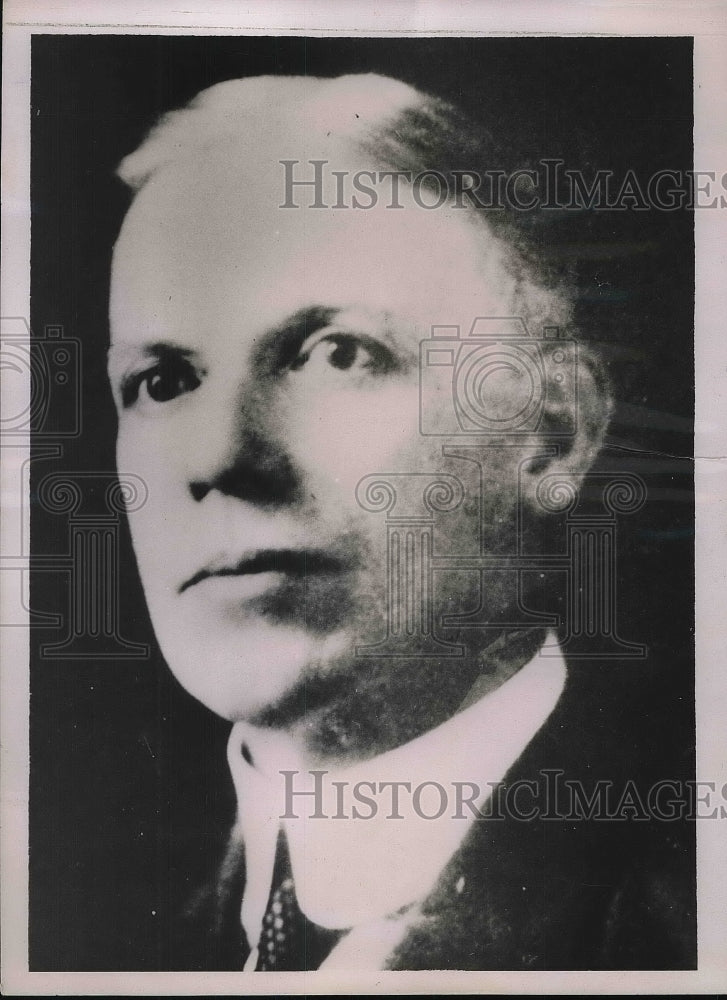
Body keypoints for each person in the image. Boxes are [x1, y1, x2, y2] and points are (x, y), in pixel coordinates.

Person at [107, 73, 694, 970]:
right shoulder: (107, 934)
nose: (217, 458)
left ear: (551, 433)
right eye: (164, 381)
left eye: (337, 353)